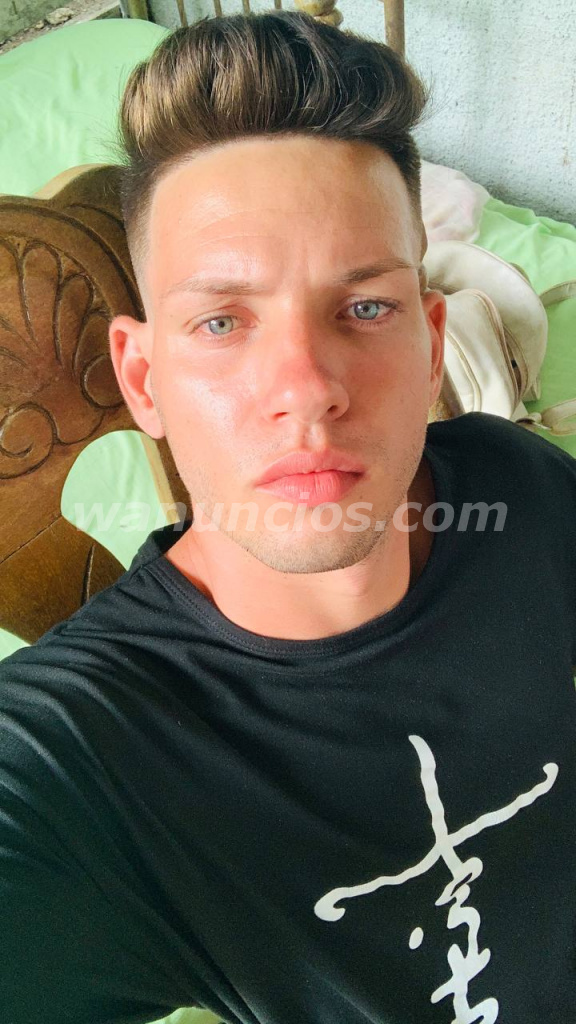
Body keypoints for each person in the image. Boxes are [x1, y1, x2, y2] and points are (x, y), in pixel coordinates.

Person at [1, 11, 575, 1024]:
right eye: (222, 321)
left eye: (366, 308)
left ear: (430, 345)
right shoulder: (85, 755)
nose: (307, 388)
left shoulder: (515, 481)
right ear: (144, 378)